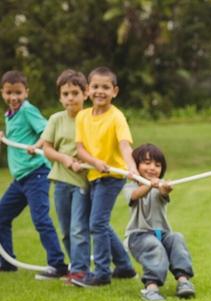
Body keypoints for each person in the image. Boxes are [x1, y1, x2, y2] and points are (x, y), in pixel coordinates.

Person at [71, 67, 138, 287]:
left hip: (112, 177)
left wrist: (133, 170)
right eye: (96, 87)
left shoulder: (116, 117)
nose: (100, 91)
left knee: (97, 223)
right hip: (93, 175)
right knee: (100, 223)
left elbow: (125, 146)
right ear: (88, 90)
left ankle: (101, 273)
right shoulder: (82, 116)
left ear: (115, 91)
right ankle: (124, 266)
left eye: (106, 87)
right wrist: (94, 162)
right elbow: (79, 148)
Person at [0, 70, 68, 279]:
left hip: (36, 173)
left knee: (40, 219)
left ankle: (57, 265)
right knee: (1, 216)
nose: (14, 97)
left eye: (18, 93)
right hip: (20, 179)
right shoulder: (9, 114)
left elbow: (47, 130)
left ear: (26, 93)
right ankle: (7, 261)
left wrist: (37, 145)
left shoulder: (28, 110)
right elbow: (18, 135)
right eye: (9, 92)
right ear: (2, 92)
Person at [123, 144, 195, 301]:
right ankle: (151, 288)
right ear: (136, 165)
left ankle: (183, 281)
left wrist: (166, 187)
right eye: (147, 163)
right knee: (153, 246)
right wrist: (149, 184)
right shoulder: (130, 185)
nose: (152, 168)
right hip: (138, 236)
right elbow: (135, 195)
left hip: (162, 233)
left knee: (177, 238)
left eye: (157, 165)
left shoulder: (160, 185)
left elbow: (163, 193)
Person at [40, 69, 91, 284]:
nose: (70, 97)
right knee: (66, 230)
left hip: (82, 182)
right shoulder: (56, 119)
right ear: (60, 97)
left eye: (75, 93)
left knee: (79, 228)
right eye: (66, 93)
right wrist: (64, 159)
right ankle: (75, 267)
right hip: (61, 181)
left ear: (85, 94)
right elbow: (47, 148)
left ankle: (80, 271)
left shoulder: (90, 118)